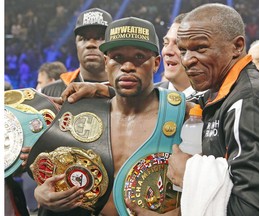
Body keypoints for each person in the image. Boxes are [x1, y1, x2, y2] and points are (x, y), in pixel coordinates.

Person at [31, 17, 189, 216]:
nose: (128, 66)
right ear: (106, 62)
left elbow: (214, 190)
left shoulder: (184, 115)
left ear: (156, 63)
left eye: (139, 56)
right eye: (117, 57)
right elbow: (49, 174)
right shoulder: (82, 112)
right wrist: (41, 194)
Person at [166, 3, 259, 216]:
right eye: (183, 50)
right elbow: (167, 101)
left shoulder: (250, 101)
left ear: (237, 46)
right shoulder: (218, 92)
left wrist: (190, 176)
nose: (187, 60)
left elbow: (256, 209)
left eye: (200, 48)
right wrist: (103, 92)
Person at [41, 8, 113, 97]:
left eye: (100, 38)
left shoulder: (128, 94)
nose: (90, 44)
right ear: (76, 43)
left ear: (112, 44)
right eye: (83, 39)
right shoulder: (50, 92)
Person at [154, 13, 204, 102]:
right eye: (165, 43)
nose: (167, 51)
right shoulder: (146, 99)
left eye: (178, 44)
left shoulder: (217, 103)